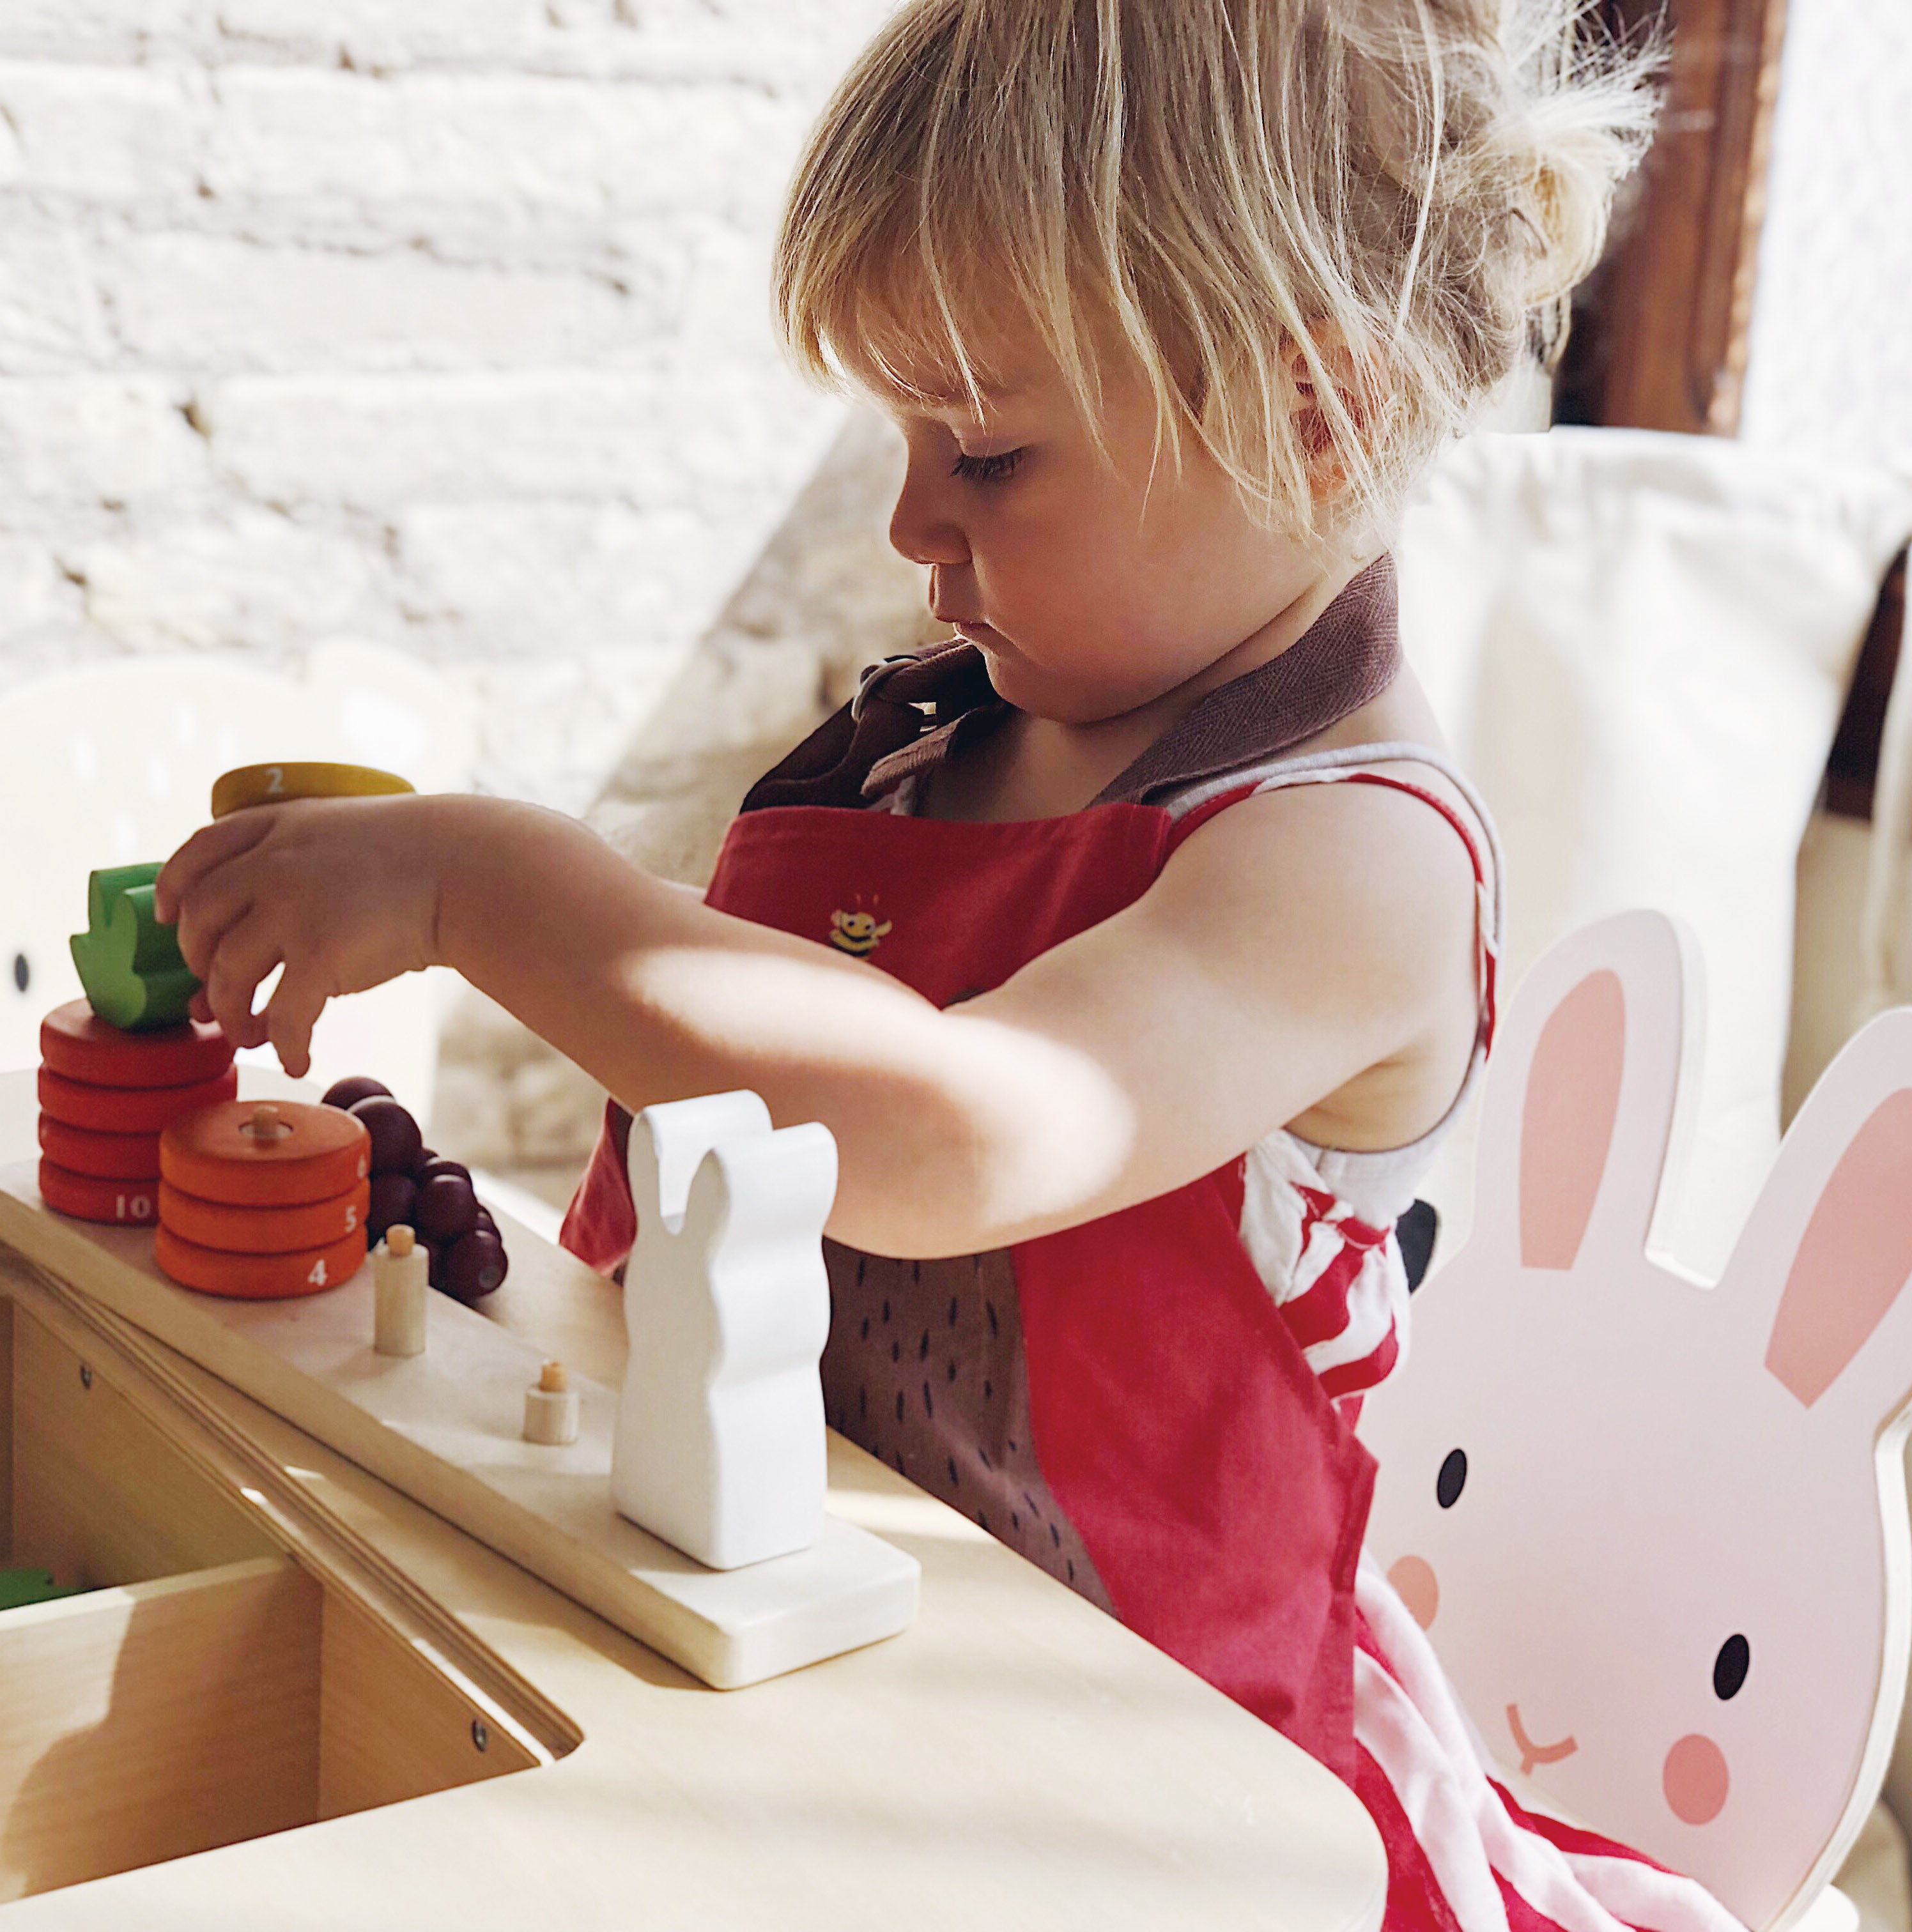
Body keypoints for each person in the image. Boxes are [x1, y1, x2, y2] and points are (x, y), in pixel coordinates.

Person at [155, 3, 1741, 1925]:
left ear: (1311, 414)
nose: (912, 526)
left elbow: (956, 1138)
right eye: (901, 436)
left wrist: (498, 889)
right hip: (774, 1653)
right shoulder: (928, 747)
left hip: (1136, 1801)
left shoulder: (1350, 859)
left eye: (986, 455)